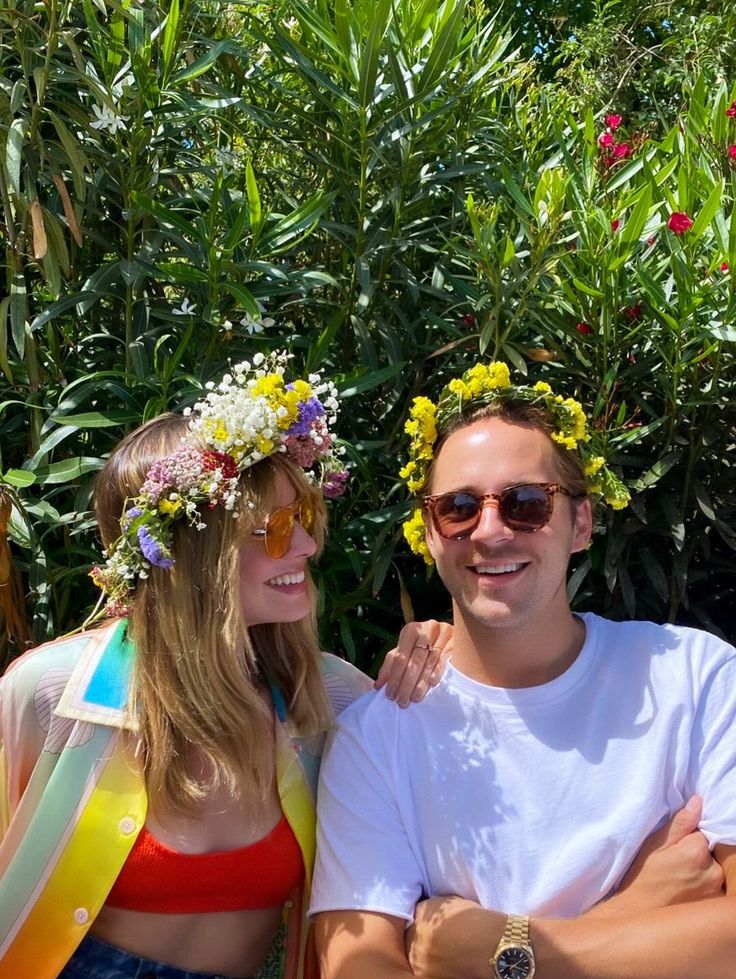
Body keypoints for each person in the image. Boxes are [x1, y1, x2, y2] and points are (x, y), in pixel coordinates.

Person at [0, 351, 450, 979]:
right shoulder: (51, 693)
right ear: (188, 556)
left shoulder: (332, 699)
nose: (308, 545)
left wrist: (445, 652)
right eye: (273, 527)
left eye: (306, 517)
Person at [310, 359, 736, 979]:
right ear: (430, 534)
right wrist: (633, 916)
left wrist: (500, 951)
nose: (490, 530)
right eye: (458, 507)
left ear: (581, 523)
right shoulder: (380, 735)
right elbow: (358, 966)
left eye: (527, 503)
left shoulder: (694, 678)